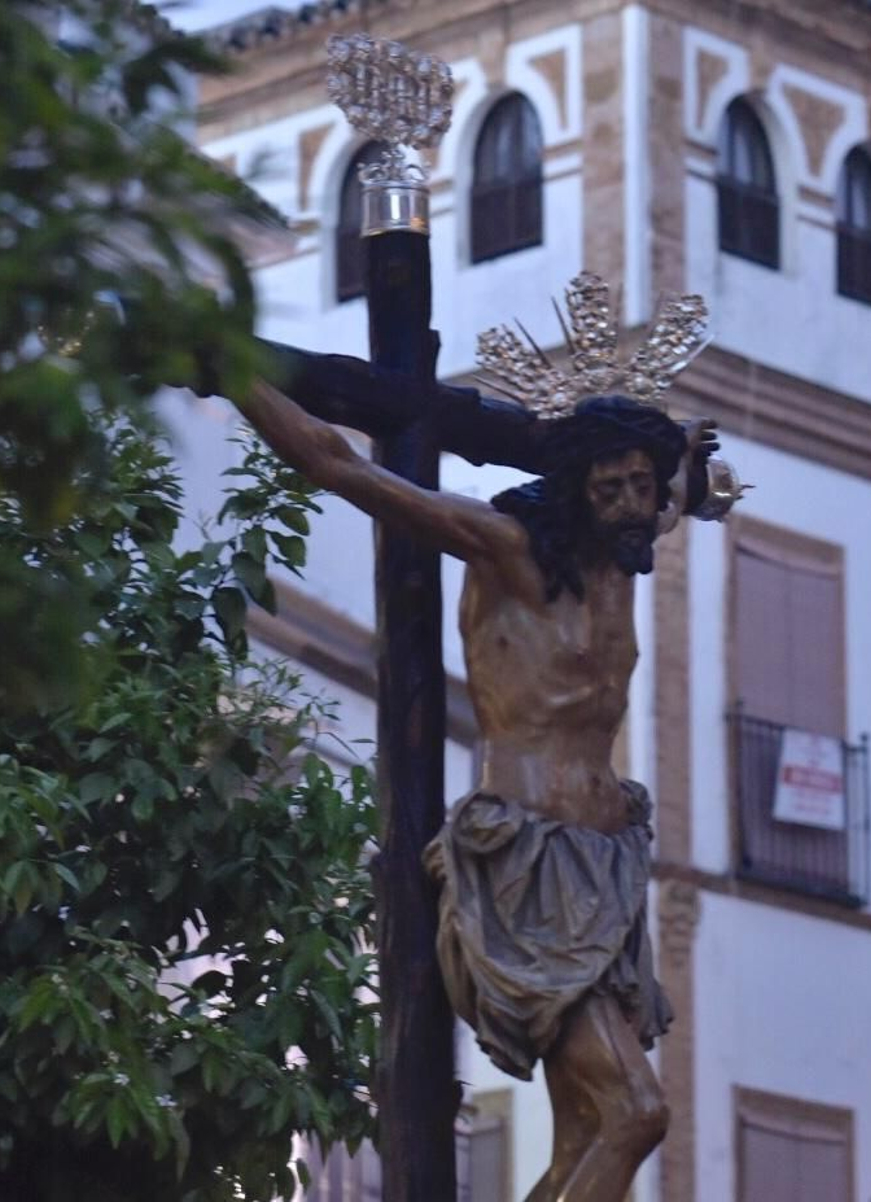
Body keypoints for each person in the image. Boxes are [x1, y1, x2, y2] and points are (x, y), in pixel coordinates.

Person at [226, 376, 724, 1202]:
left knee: (580, 1144)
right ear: (577, 490)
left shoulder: (625, 551)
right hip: (527, 863)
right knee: (637, 1113)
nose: (637, 504)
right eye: (614, 489)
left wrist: (687, 464)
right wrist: (230, 366)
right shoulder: (505, 546)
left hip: (607, 871)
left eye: (644, 484)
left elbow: (672, 493)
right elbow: (340, 466)